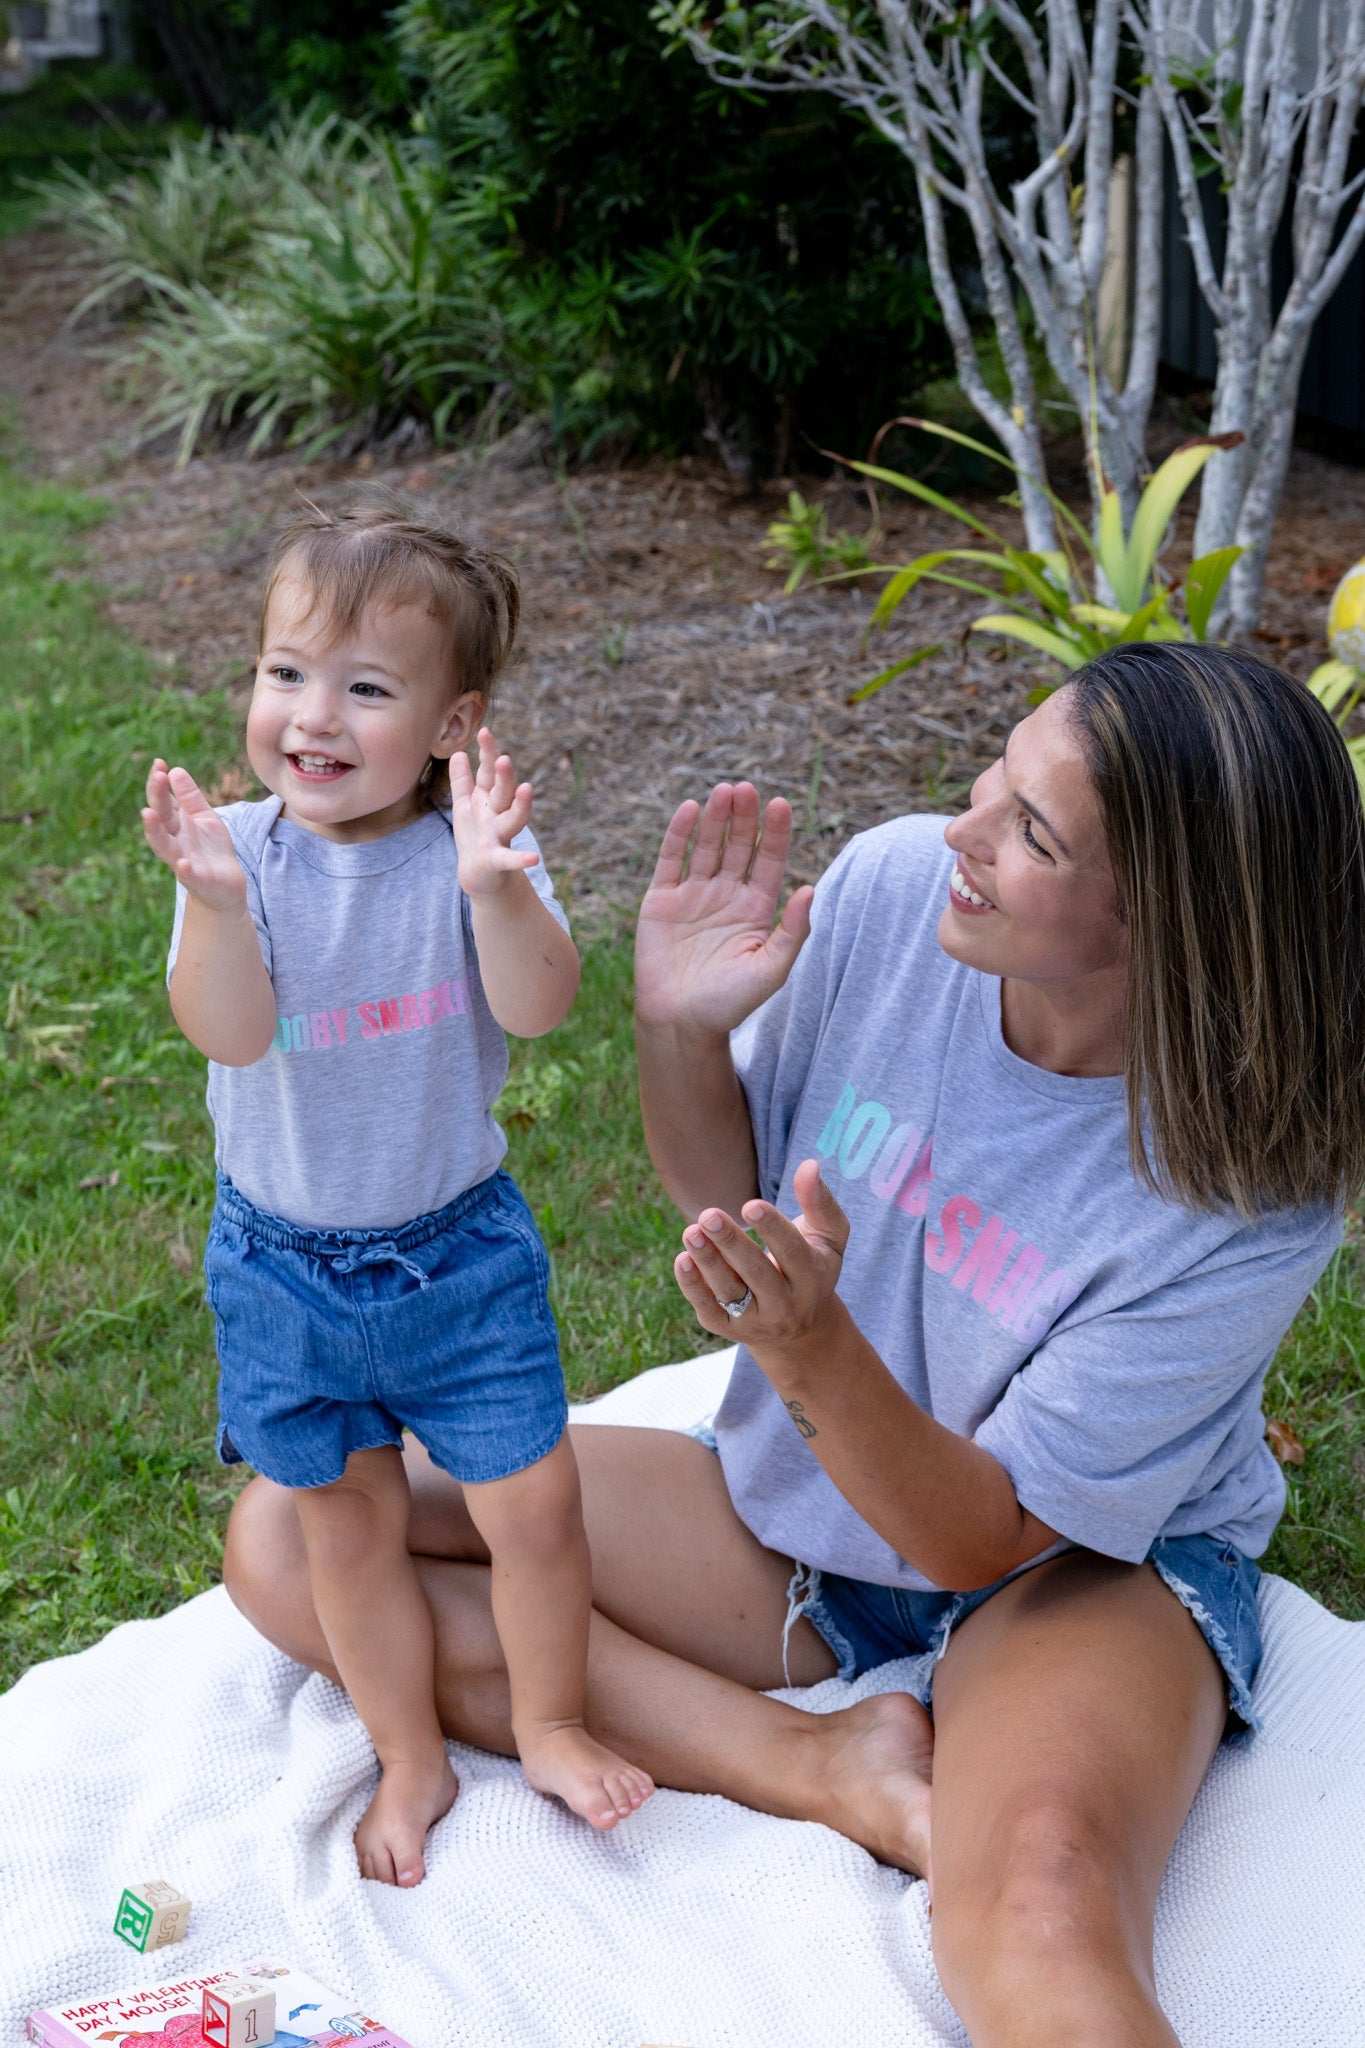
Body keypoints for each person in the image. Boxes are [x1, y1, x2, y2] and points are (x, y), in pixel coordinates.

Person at [223, 643, 1365, 2043]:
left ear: (1168, 925)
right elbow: (735, 1208)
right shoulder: (896, 895)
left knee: (1037, 1926)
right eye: (990, 781)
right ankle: (820, 1763)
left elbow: (980, 1542)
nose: (960, 832)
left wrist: (811, 1348)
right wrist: (678, 1033)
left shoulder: (1248, 1189)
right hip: (810, 1518)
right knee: (297, 1535)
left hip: (1071, 1572)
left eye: (1028, 830)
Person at [142, 497, 653, 1890]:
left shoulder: (473, 851)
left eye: (365, 688)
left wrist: (496, 887)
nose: (312, 714)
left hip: (456, 1264)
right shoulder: (237, 855)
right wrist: (212, 904)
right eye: (285, 673)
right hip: (282, 1270)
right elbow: (230, 1034)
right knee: (344, 1527)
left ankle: (547, 1720)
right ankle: (409, 1749)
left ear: (447, 722)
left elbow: (542, 1008)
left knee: (533, 1509)